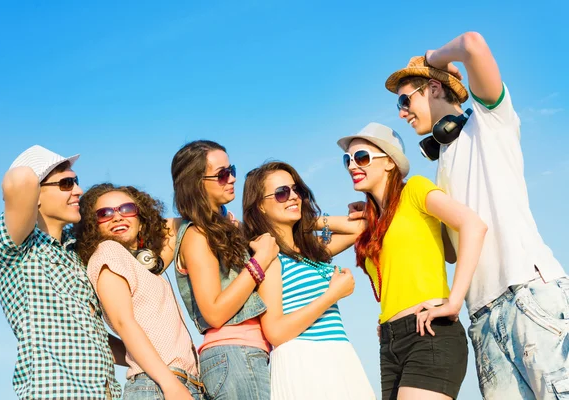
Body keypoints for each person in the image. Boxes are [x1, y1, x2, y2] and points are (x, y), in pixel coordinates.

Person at [385, 32, 569, 399]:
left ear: (434, 89)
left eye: (406, 100)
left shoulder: (490, 122)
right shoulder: (441, 170)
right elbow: (453, 253)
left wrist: (433, 57)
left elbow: (472, 44)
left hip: (526, 295)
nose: (402, 111)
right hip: (480, 316)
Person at [338, 123, 487, 399]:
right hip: (390, 343)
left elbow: (473, 225)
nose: (351, 166)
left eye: (361, 157)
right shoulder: (374, 223)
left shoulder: (415, 190)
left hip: (429, 332)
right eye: (347, 160)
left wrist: (454, 301)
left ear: (390, 163)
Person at [0, 145, 122, 400]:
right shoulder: (14, 251)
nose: (78, 190)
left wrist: (148, 358)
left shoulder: (74, 254)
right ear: (35, 193)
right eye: (67, 183)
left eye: (76, 181)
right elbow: (20, 179)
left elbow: (93, 338)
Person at [242, 161, 376, 400]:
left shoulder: (311, 250)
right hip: (305, 362)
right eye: (282, 193)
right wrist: (332, 295)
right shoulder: (270, 257)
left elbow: (362, 228)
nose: (293, 197)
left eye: (297, 191)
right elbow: (275, 331)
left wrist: (307, 219)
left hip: (339, 357)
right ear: (261, 206)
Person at [73, 183, 204, 399]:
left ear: (141, 220)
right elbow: (125, 323)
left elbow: (187, 222)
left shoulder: (144, 266)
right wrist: (169, 384)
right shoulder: (109, 252)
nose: (117, 217)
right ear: (92, 226)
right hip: (158, 386)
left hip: (179, 382)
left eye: (126, 209)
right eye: (104, 214)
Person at [171, 140, 279, 400]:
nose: (231, 178)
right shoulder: (197, 235)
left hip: (243, 355)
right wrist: (259, 261)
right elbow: (214, 312)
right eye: (222, 174)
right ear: (197, 183)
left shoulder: (224, 227)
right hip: (235, 354)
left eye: (231, 169)